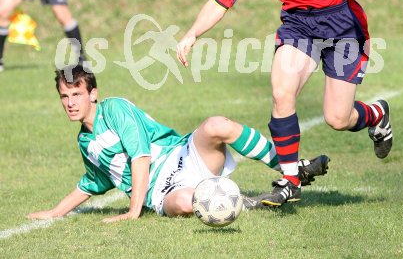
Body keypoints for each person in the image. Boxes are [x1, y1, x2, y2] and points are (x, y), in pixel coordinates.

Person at [176, 0, 392, 207]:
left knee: (338, 117)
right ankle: (290, 181)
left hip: (341, 21)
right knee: (281, 92)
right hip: (299, 24)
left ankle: (377, 114)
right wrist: (191, 33)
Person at [27, 65, 330, 222]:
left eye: (76, 94)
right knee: (186, 203)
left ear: (92, 93)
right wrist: (55, 212)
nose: (70, 102)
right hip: (163, 191)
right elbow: (93, 183)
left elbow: (140, 157)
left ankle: (292, 168)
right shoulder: (85, 141)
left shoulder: (115, 109)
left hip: (182, 155)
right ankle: (247, 203)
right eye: (64, 96)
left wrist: (133, 212)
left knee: (216, 125)